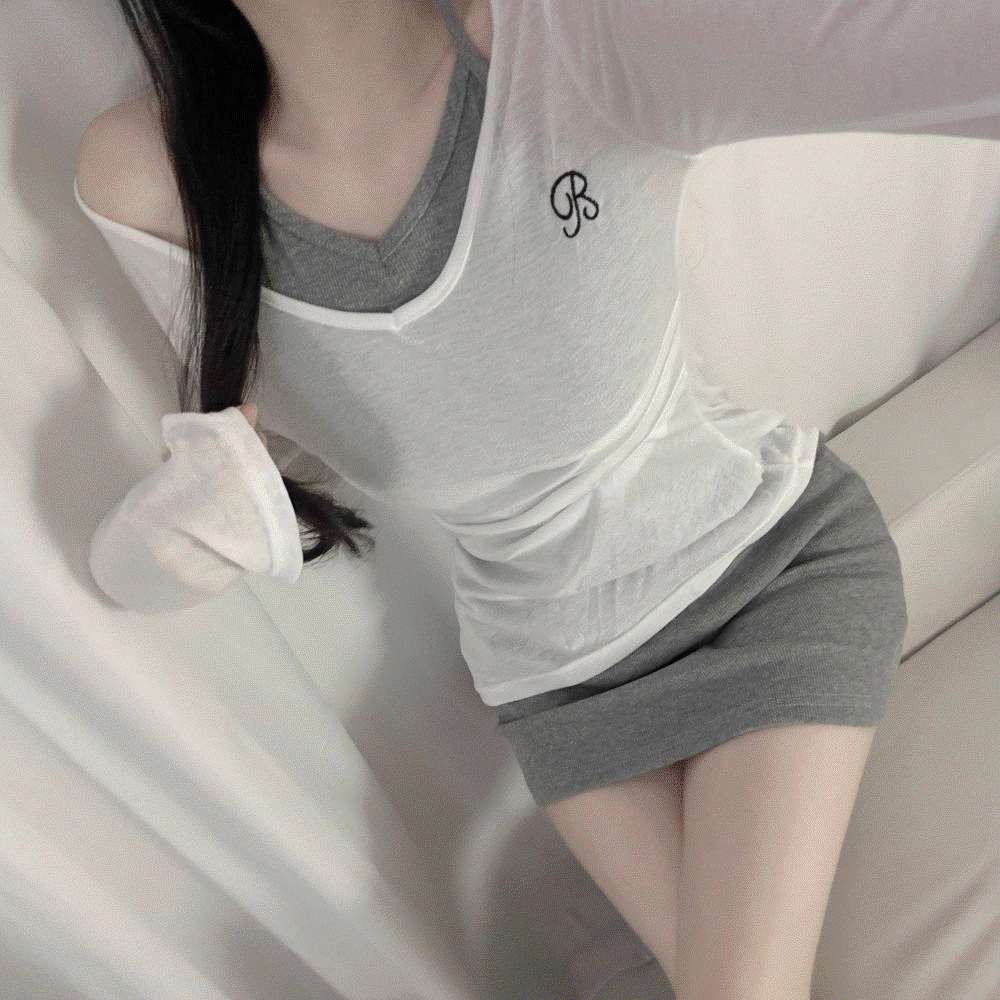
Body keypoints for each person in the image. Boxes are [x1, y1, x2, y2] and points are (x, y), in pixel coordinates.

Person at [75, 3, 1000, 996]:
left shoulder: (570, 42)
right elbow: (226, 498)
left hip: (765, 569)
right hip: (559, 686)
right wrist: (200, 515)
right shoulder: (150, 178)